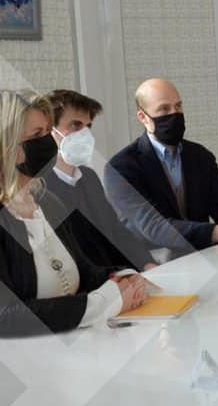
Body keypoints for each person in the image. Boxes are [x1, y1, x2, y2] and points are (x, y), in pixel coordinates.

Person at [0, 89, 148, 337]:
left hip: (76, 343)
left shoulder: (48, 202)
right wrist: (103, 302)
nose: (47, 143)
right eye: (37, 135)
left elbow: (82, 272)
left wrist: (125, 278)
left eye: (48, 132)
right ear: (3, 146)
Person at [105, 79, 218, 259]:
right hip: (152, 265)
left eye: (178, 106)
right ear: (143, 117)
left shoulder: (201, 156)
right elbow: (154, 227)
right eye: (164, 109)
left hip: (205, 260)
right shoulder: (121, 167)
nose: (174, 114)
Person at [41, 90, 156, 271]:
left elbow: (115, 230)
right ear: (49, 130)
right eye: (75, 125)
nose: (84, 134)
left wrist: (146, 263)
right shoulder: (39, 187)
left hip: (118, 273)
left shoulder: (89, 177)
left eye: (88, 126)